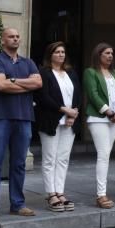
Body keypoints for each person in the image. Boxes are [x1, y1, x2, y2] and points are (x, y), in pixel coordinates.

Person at [0, 28, 42, 221]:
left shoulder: (28, 62)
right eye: (11, 36)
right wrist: (25, 86)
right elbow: (0, 85)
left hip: (24, 117)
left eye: (17, 36)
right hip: (0, 118)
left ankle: (18, 204)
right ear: (2, 40)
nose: (15, 39)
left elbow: (38, 83)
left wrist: (13, 81)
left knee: (19, 163)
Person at [34, 41, 81, 212]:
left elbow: (77, 93)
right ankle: (51, 193)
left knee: (63, 158)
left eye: (62, 52)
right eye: (57, 52)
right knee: (49, 159)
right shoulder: (44, 72)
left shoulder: (71, 72)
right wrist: (64, 110)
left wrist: (73, 112)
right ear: (50, 55)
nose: (61, 55)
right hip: (50, 120)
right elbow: (43, 97)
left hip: (69, 121)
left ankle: (60, 191)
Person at [84, 42, 115, 208]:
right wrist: (109, 112)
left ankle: (103, 192)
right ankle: (101, 195)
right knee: (103, 154)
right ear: (98, 55)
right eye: (106, 53)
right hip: (99, 118)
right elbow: (93, 95)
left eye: (111, 53)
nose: (110, 56)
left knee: (106, 155)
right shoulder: (90, 72)